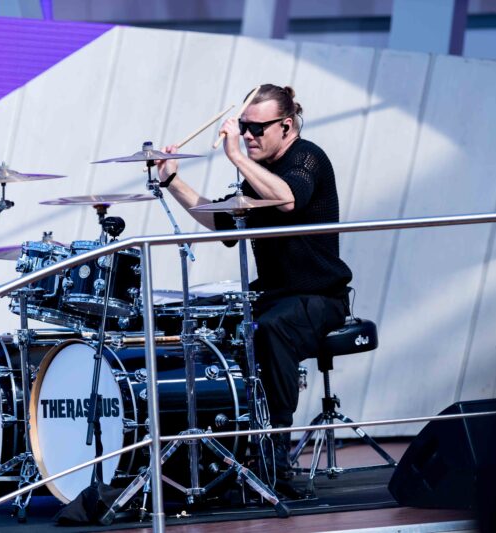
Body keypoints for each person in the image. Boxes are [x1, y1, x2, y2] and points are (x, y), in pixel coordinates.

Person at [155, 84, 352, 486]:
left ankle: (275, 453)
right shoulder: (258, 175)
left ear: (286, 125)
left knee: (274, 328)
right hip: (276, 294)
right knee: (217, 325)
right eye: (243, 127)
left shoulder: (307, 157)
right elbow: (220, 223)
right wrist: (172, 179)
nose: (247, 135)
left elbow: (288, 199)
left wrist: (236, 157)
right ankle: (220, 441)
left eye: (257, 129)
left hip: (320, 295)